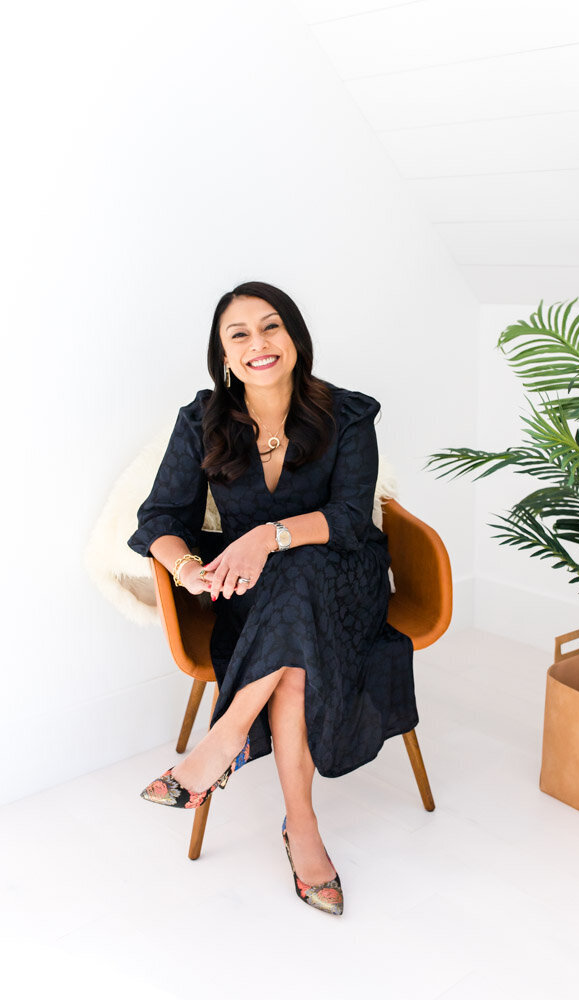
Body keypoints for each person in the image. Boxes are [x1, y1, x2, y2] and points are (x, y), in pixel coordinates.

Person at [127, 280, 418, 916]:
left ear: (294, 338)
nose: (259, 344)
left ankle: (222, 743)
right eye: (240, 335)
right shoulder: (200, 421)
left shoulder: (347, 413)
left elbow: (348, 520)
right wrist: (187, 570)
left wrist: (268, 534)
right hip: (251, 598)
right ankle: (302, 829)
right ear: (224, 356)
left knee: (302, 573)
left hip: (346, 581)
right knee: (292, 662)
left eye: (272, 327)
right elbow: (159, 518)